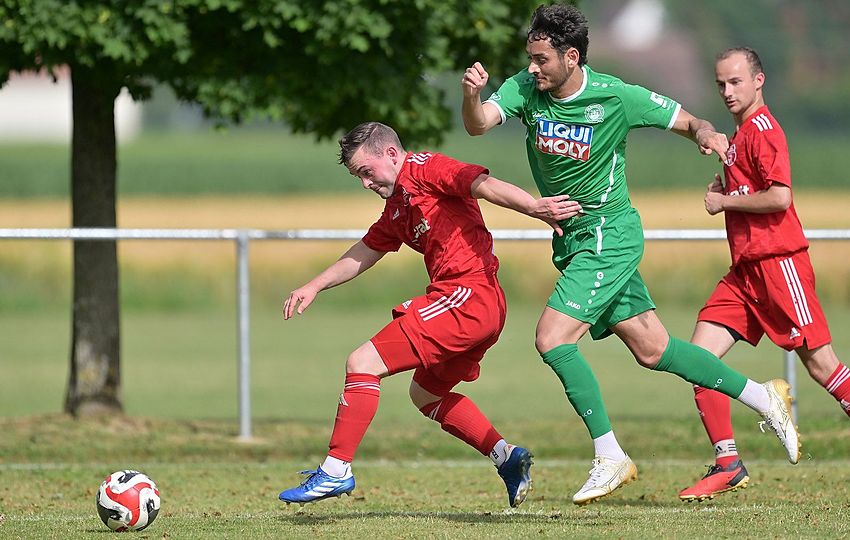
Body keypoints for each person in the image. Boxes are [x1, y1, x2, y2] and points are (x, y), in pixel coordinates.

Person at [461, 3, 800, 506]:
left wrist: (706, 133)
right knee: (654, 350)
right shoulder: (525, 87)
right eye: (530, 58)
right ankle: (762, 395)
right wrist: (472, 96)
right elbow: (478, 125)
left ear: (571, 57)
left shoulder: (616, 96)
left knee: (552, 338)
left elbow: (689, 121)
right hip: (574, 241)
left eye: (542, 59)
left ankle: (609, 453)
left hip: (609, 235)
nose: (532, 67)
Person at [277, 121, 582, 508]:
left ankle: (335, 470)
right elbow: (366, 251)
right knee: (425, 395)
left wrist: (533, 207)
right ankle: (506, 457)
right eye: (358, 177)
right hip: (478, 305)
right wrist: (314, 285)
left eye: (366, 172)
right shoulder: (398, 206)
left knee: (362, 362)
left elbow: (481, 183)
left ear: (391, 154)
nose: (365, 184)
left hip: (466, 298)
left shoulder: (425, 168)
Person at [677, 47, 850, 505]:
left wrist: (725, 202)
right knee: (696, 359)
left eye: (736, 82)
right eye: (720, 84)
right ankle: (728, 463)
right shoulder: (739, 135)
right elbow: (751, 190)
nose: (727, 91)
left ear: (759, 80)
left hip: (779, 265)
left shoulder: (765, 130)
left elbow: (780, 197)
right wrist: (725, 187)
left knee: (822, 365)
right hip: (745, 273)